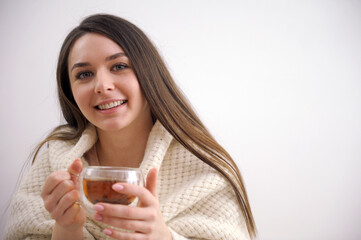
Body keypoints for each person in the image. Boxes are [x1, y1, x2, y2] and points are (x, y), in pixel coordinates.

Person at [4, 14, 256, 240]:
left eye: (119, 66)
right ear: (70, 91)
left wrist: (165, 238)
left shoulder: (205, 170)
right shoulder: (53, 160)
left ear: (149, 74)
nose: (102, 85)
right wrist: (67, 230)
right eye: (84, 74)